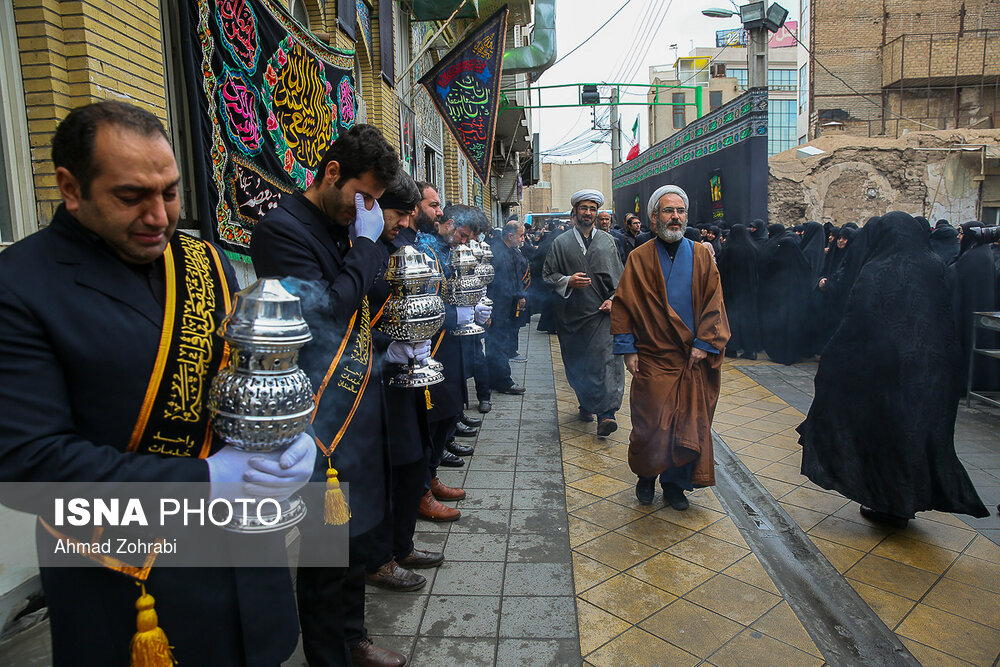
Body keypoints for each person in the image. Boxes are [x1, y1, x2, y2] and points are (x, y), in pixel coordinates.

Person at [0, 101, 314, 666]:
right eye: (131, 196)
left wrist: (292, 439)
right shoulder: (18, 286)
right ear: (71, 188)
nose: (158, 216)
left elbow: (252, 374)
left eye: (169, 192)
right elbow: (29, 463)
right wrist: (206, 481)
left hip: (248, 569)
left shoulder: (204, 262)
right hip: (131, 584)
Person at [250, 124, 405, 667]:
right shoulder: (282, 229)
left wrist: (375, 245)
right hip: (318, 414)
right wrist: (364, 244)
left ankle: (353, 636)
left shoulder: (347, 227)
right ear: (332, 173)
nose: (364, 209)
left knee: (355, 532)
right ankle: (328, 653)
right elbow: (327, 311)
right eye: (362, 196)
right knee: (323, 549)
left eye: (376, 202)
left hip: (358, 400)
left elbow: (367, 298)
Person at [798, 212, 988, 528]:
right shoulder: (935, 265)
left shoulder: (876, 271)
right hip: (931, 373)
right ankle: (905, 501)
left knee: (886, 438)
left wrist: (832, 364)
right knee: (914, 438)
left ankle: (889, 502)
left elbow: (856, 326)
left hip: (886, 374)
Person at [611, 185, 730, 510]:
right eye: (668, 211)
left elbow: (714, 303)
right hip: (653, 360)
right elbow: (624, 305)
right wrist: (628, 349)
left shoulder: (702, 255)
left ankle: (676, 486)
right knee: (650, 426)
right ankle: (647, 477)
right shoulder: (639, 257)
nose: (675, 217)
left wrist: (705, 343)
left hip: (692, 360)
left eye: (680, 211)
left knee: (686, 426)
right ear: (654, 217)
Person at [365, 173, 445, 594]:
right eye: (398, 213)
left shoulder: (396, 248)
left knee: (414, 461)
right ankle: (382, 558)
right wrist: (387, 344)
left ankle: (401, 545)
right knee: (390, 471)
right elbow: (349, 315)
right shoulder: (364, 250)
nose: (403, 222)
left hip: (403, 374)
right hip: (371, 380)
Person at [543, 189, 625, 437]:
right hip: (573, 317)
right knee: (579, 365)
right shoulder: (561, 243)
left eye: (592, 208)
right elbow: (547, 276)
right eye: (583, 208)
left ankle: (607, 414)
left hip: (602, 316)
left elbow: (621, 280)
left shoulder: (608, 242)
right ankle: (586, 403)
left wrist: (613, 300)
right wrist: (568, 281)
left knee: (607, 362)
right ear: (575, 212)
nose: (588, 213)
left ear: (597, 213)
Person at [487, 221, 528, 395]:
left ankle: (494, 378)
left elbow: (516, 275)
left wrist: (520, 295)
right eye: (521, 236)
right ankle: (503, 381)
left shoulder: (512, 251)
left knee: (500, 343)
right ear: (510, 236)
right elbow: (488, 284)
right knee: (497, 343)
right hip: (497, 307)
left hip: (508, 305)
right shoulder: (495, 252)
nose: (523, 239)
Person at [717, 223, 761, 360]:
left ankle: (732, 348)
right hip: (750, 291)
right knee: (748, 320)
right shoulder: (753, 248)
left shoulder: (729, 249)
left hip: (732, 291)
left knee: (732, 320)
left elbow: (721, 270)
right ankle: (750, 349)